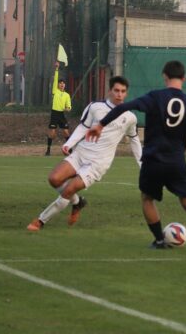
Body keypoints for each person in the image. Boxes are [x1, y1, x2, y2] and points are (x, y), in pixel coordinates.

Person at [86, 60, 186, 249]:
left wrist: (100, 125)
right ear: (184, 78)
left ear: (164, 76)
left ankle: (159, 240)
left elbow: (124, 107)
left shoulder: (155, 97)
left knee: (147, 199)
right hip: (177, 163)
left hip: (153, 161)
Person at [28, 76, 142, 231]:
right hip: (81, 153)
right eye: (116, 90)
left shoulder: (130, 117)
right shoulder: (95, 107)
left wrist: (142, 164)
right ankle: (78, 203)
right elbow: (83, 127)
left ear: (126, 93)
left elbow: (134, 140)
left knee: (68, 190)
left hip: (98, 164)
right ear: (110, 91)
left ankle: (40, 221)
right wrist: (69, 144)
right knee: (54, 179)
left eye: (123, 91)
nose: (119, 94)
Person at [45, 61, 72, 156]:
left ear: (65, 85)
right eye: (60, 83)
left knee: (66, 131)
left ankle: (69, 149)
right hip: (54, 113)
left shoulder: (67, 95)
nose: (62, 84)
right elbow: (55, 80)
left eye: (63, 83)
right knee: (52, 132)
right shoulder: (55, 91)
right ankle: (48, 150)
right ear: (58, 85)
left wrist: (68, 108)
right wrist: (56, 69)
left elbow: (69, 106)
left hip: (61, 114)